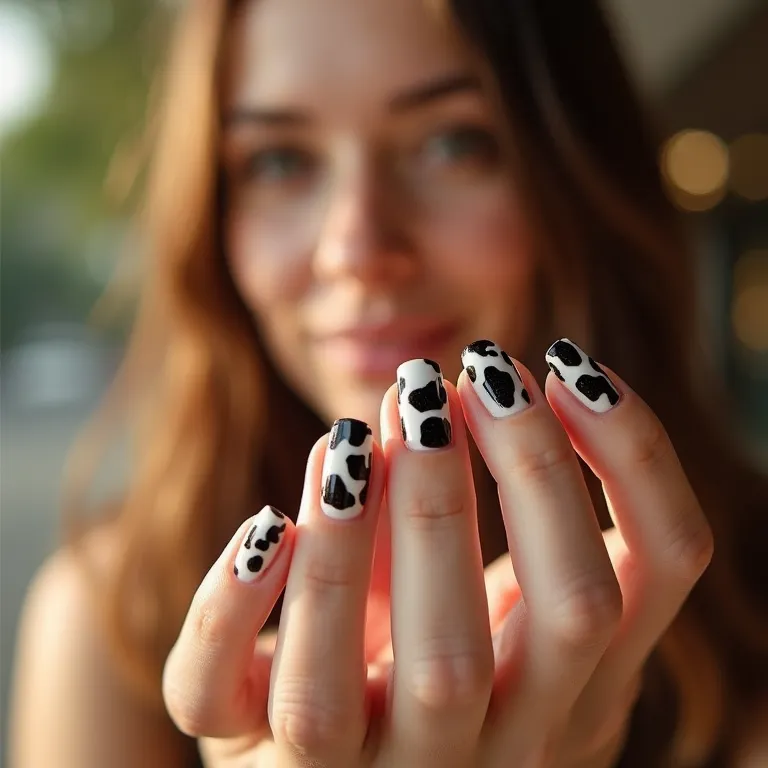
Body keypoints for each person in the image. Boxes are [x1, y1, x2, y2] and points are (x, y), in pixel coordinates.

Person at [8, 0, 768, 765]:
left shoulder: (748, 595)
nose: (356, 247)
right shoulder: (108, 618)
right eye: (278, 159)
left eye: (454, 143)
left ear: (577, 173)